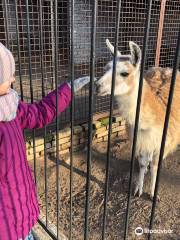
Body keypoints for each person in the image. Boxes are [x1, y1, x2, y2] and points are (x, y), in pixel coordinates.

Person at [0, 42, 91, 240]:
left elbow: (40, 113)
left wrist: (67, 90)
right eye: (8, 76)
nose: (14, 78)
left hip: (20, 215)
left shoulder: (11, 107)